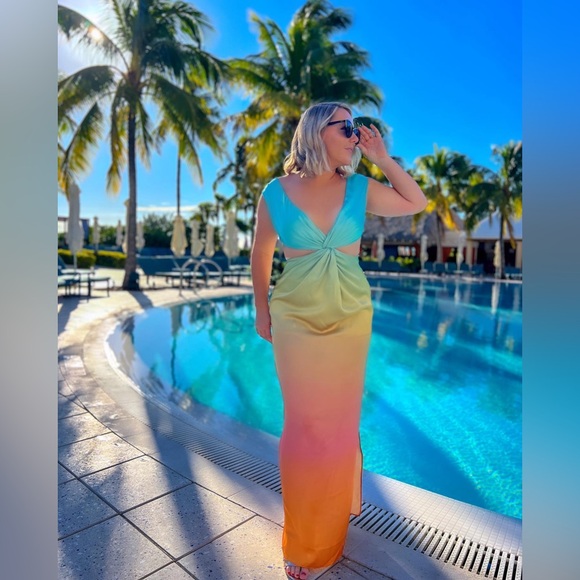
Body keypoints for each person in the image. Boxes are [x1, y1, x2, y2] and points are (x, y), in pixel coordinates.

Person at [250, 102, 427, 580]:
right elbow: (261, 251)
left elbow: (415, 202)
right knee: (302, 425)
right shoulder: (276, 191)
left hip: (350, 317)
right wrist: (262, 309)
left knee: (339, 424)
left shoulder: (359, 187)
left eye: (356, 128)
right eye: (346, 127)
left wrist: (383, 158)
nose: (355, 135)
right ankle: (302, 537)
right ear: (316, 131)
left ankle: (328, 532)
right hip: (295, 316)